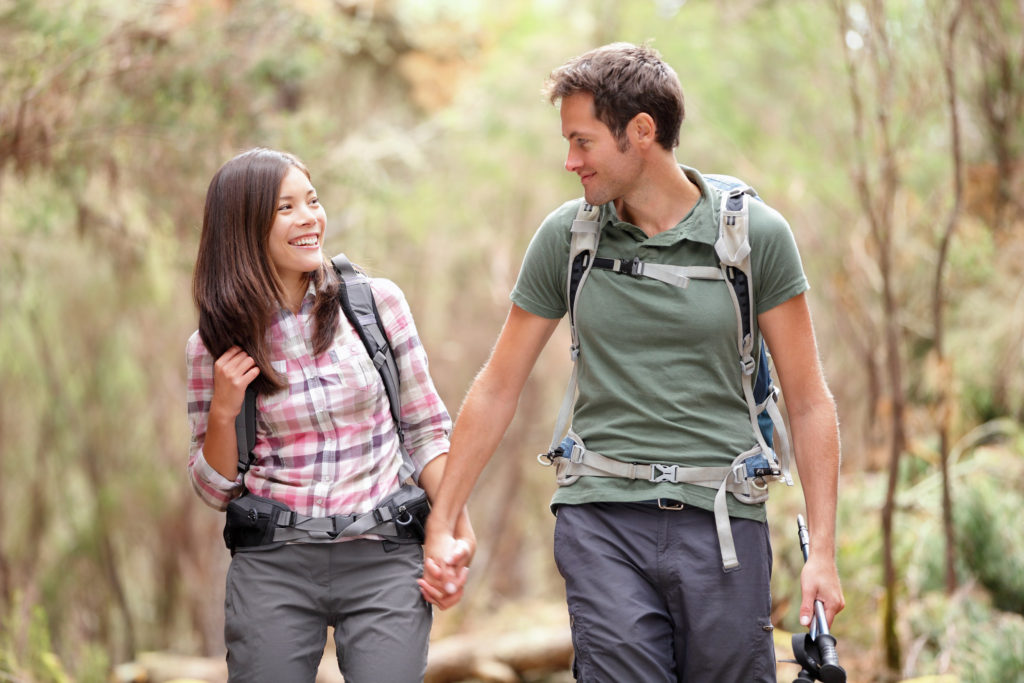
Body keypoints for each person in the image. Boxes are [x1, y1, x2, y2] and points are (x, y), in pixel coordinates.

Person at [418, 43, 844, 681]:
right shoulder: (569, 237)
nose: (570, 161)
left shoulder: (755, 237)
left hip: (724, 524)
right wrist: (444, 517)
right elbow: (498, 385)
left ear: (641, 132)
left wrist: (825, 555)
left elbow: (809, 400)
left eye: (583, 142)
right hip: (601, 520)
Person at [187, 147, 474, 683]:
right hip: (274, 566)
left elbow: (425, 429)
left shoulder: (375, 305)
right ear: (243, 228)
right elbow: (213, 491)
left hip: (385, 555)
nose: (309, 219)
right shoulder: (213, 346)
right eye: (285, 208)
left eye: (312, 202)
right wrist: (224, 413)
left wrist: (456, 525)